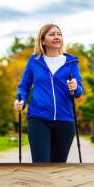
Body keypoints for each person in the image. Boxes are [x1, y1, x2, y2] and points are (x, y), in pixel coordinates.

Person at [14, 23, 83, 163]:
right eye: (52, 34)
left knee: (58, 166)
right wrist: (19, 99)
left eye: (59, 34)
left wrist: (75, 87)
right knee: (41, 164)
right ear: (43, 40)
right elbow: (24, 86)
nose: (57, 37)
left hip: (65, 120)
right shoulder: (34, 61)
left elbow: (79, 92)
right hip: (38, 119)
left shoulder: (71, 62)